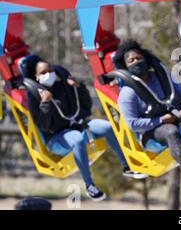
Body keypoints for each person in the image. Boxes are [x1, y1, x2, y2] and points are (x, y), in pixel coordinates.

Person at [26, 56, 144, 202]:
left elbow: (86, 108)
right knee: (77, 138)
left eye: (50, 70)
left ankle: (127, 166)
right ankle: (90, 186)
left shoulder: (63, 85)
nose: (49, 73)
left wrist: (79, 87)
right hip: (56, 139)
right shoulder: (34, 96)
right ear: (36, 77)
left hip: (78, 125)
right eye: (43, 72)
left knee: (107, 127)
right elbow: (43, 125)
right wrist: (45, 103)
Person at [115, 40, 181, 189]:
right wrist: (160, 120)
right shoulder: (127, 93)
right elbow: (133, 123)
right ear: (126, 67)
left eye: (138, 58)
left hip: (176, 117)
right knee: (170, 131)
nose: (136, 62)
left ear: (146, 59)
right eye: (131, 61)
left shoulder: (162, 78)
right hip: (150, 133)